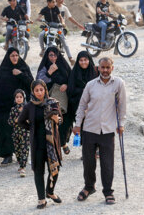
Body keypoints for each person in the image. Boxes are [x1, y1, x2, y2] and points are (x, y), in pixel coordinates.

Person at [73, 57, 126, 205]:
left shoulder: (118, 84)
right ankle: (89, 187)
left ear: (112, 68)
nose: (105, 70)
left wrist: (121, 124)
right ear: (98, 68)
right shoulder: (90, 85)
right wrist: (77, 124)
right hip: (89, 128)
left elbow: (122, 107)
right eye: (102, 67)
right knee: (89, 162)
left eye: (107, 67)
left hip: (108, 130)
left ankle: (108, 191)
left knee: (107, 163)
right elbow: (82, 105)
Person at [18, 79, 63, 209]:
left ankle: (50, 191)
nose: (39, 92)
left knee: (55, 168)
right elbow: (21, 121)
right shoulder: (29, 106)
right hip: (37, 143)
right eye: (36, 90)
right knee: (39, 171)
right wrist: (31, 128)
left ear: (45, 90)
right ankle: (41, 199)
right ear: (32, 91)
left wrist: (57, 119)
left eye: (41, 90)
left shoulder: (53, 103)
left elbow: (60, 120)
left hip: (51, 142)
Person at [0, 47, 34, 165]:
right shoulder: (4, 69)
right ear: (8, 57)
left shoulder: (23, 68)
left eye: (17, 55)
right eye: (12, 56)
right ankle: (7, 154)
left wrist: (20, 74)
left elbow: (32, 83)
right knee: (4, 130)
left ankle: (20, 155)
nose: (15, 58)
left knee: (21, 131)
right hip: (4, 106)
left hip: (20, 107)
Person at [36, 47, 72, 155]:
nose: (53, 58)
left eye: (55, 55)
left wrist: (66, 85)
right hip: (49, 99)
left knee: (65, 123)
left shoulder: (64, 65)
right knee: (52, 122)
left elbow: (71, 78)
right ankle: (56, 147)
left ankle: (63, 142)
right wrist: (49, 72)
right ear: (47, 56)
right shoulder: (44, 67)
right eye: (51, 55)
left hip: (64, 99)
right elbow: (39, 82)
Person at [36, 0, 72, 64]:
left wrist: (63, 23)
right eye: (53, 2)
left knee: (63, 40)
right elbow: (38, 17)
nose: (55, 3)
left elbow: (60, 17)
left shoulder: (56, 8)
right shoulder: (44, 9)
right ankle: (43, 49)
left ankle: (70, 58)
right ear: (48, 3)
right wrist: (41, 20)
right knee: (41, 34)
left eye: (55, 2)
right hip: (48, 27)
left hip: (57, 27)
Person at [67, 51, 98, 129]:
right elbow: (70, 90)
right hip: (78, 106)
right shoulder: (74, 73)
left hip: (94, 107)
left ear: (89, 60)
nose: (83, 62)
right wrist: (83, 91)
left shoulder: (95, 72)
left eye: (85, 60)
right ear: (78, 61)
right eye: (81, 60)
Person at [55, 0, 84, 65]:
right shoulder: (53, 7)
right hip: (52, 27)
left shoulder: (64, 8)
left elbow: (70, 18)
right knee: (43, 35)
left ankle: (70, 58)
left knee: (64, 41)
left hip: (60, 28)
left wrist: (78, 25)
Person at [8, 89, 30, 177]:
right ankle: (20, 163)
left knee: (24, 149)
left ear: (24, 98)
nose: (19, 99)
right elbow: (9, 122)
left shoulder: (27, 108)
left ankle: (23, 167)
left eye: (20, 97)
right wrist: (15, 120)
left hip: (25, 133)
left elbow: (32, 119)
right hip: (16, 133)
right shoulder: (13, 109)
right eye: (17, 97)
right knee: (17, 150)